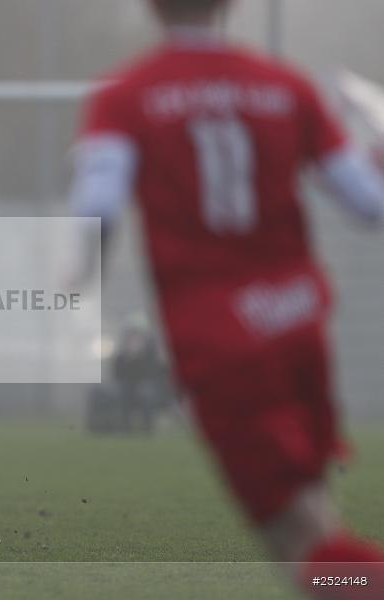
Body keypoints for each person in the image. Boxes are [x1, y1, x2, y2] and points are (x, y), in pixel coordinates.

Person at [70, 0, 384, 596]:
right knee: (313, 518)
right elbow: (370, 205)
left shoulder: (127, 96)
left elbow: (98, 205)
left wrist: (74, 271)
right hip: (299, 326)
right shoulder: (287, 86)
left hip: (224, 344)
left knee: (299, 540)